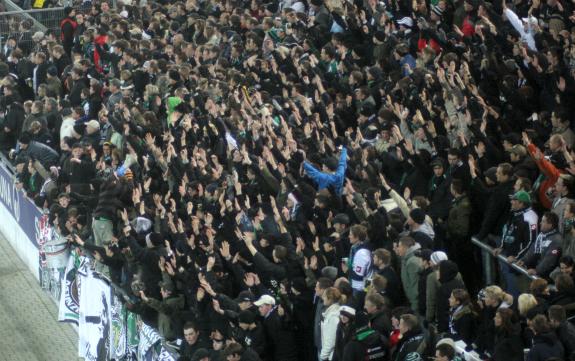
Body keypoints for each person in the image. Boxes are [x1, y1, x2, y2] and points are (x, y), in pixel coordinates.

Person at [254, 294, 298, 361]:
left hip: (284, 356)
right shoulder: (275, 314)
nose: (259, 309)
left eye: (261, 307)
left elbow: (273, 342)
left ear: (269, 306)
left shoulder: (272, 320)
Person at [395, 237, 422, 311]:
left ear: (405, 247)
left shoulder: (412, 262)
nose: (397, 248)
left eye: (399, 246)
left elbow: (415, 285)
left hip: (415, 304)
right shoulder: (406, 259)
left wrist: (414, 306)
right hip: (410, 301)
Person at [320, 287, 343, 361]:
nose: (323, 298)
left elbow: (331, 341)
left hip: (331, 357)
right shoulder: (332, 313)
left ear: (330, 299)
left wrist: (322, 356)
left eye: (324, 296)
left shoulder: (333, 317)